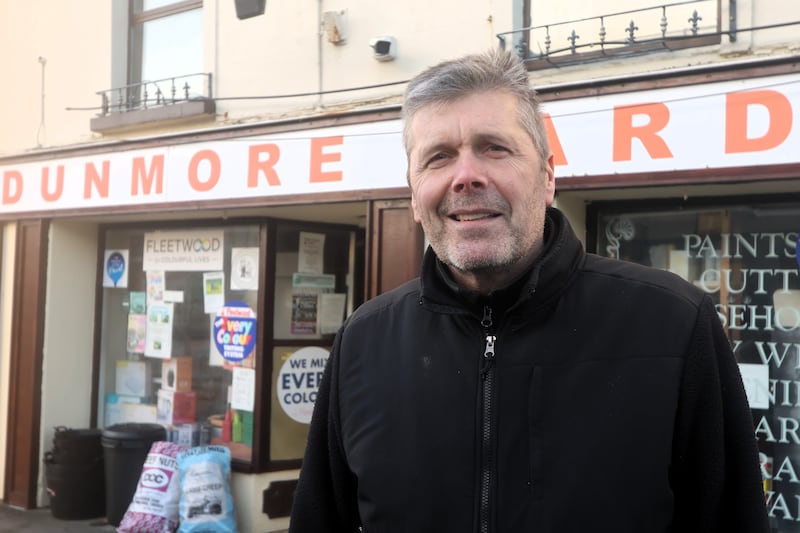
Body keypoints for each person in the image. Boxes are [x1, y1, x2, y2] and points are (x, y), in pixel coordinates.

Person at [288, 49, 769, 532]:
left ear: (547, 177)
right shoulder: (363, 343)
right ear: (414, 196)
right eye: (438, 157)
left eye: (495, 148)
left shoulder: (673, 325)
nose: (466, 176)